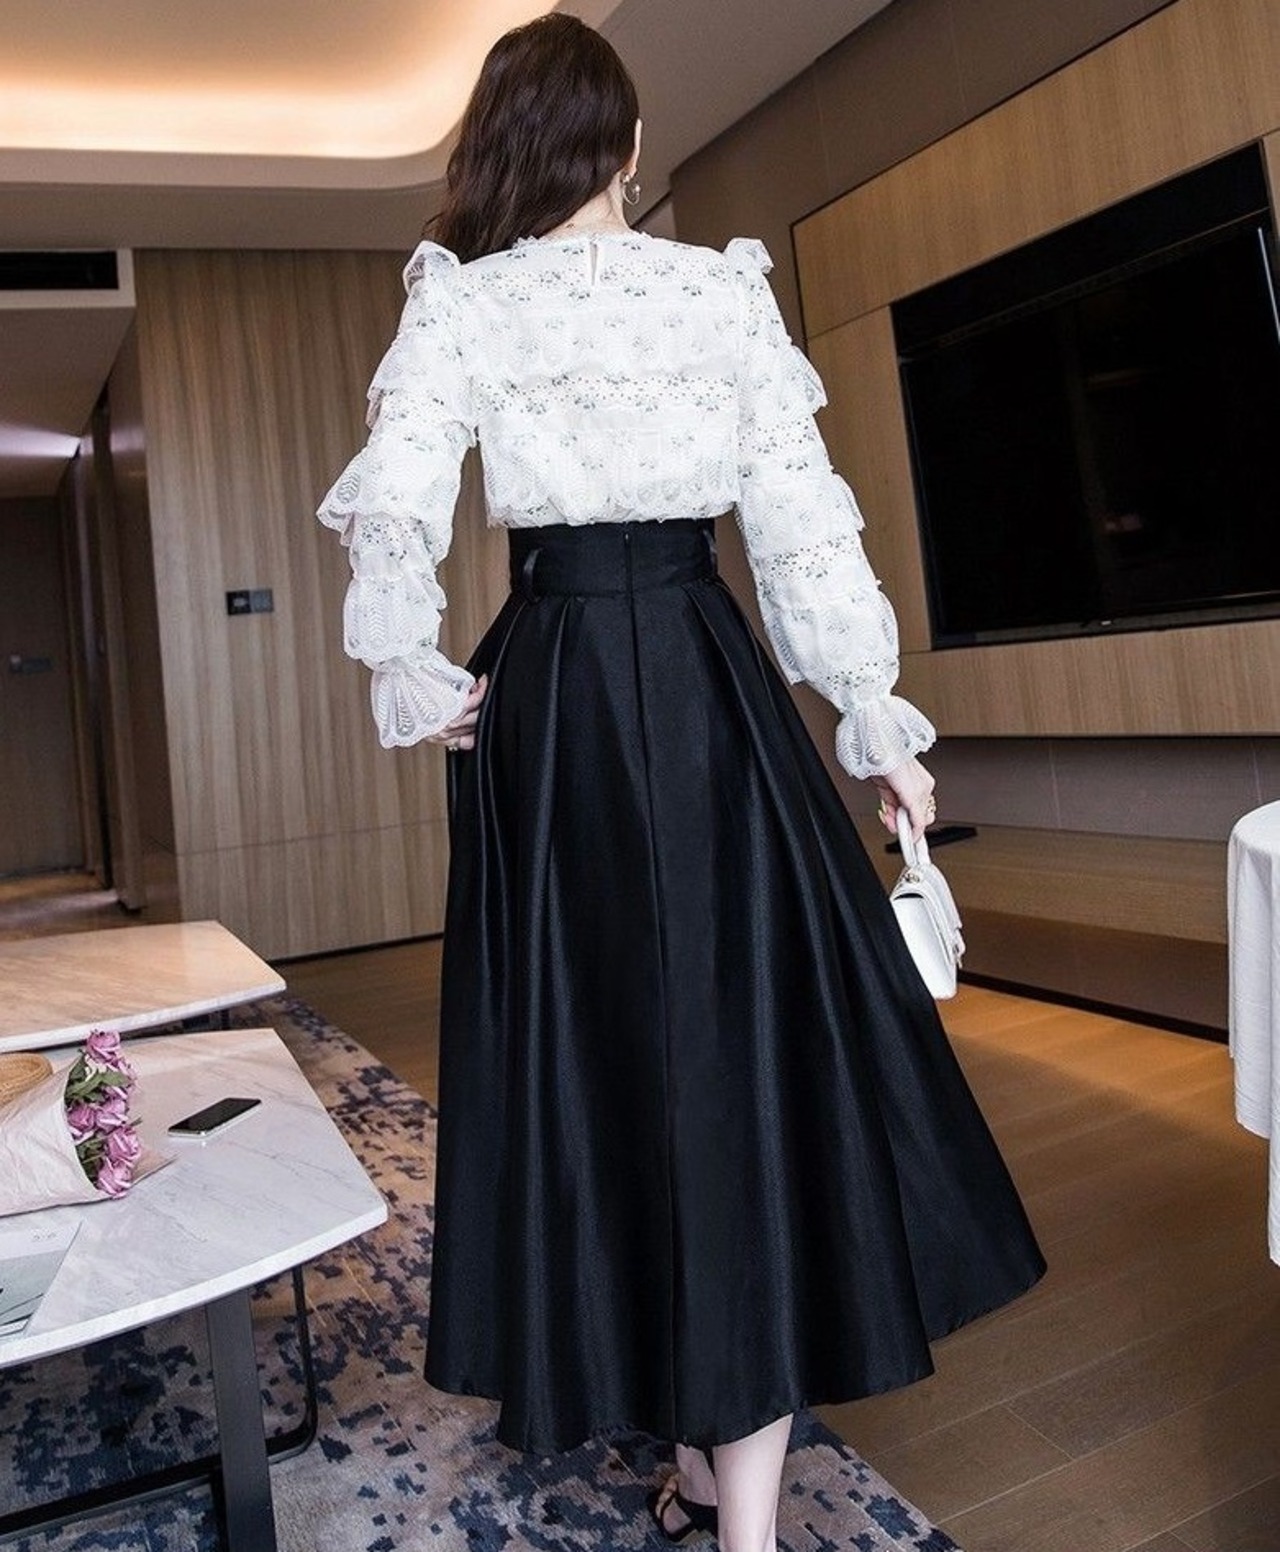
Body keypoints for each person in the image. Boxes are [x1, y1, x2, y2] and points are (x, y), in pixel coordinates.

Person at [317, 14, 1045, 1552]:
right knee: (735, 1062)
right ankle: (739, 1502)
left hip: (556, 694)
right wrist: (876, 720)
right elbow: (800, 521)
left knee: (599, 1055)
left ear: (502, 149)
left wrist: (413, 668)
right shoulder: (718, 291)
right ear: (633, 148)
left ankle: (690, 1448)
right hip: (709, 681)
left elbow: (397, 507)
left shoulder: (464, 304)